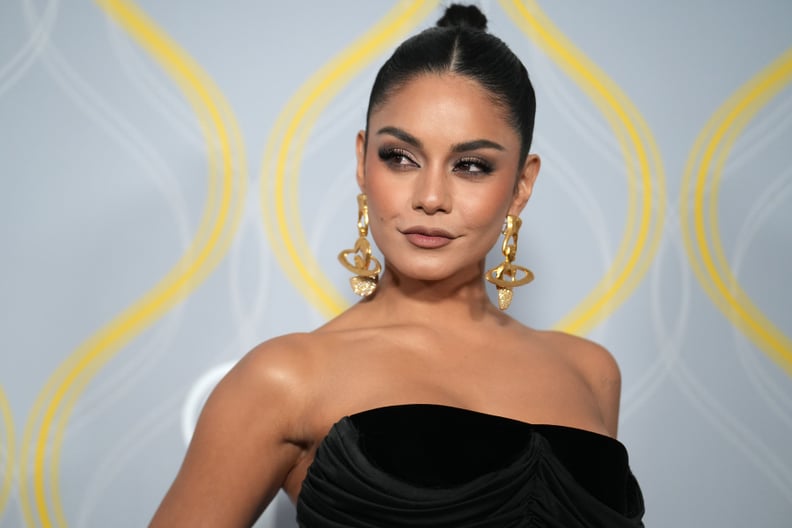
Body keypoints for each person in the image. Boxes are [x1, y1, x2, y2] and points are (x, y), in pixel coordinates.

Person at [149, 4, 645, 527]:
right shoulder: (286, 379)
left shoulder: (590, 373)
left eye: (471, 165)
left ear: (522, 185)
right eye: (400, 157)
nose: (431, 197)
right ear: (364, 161)